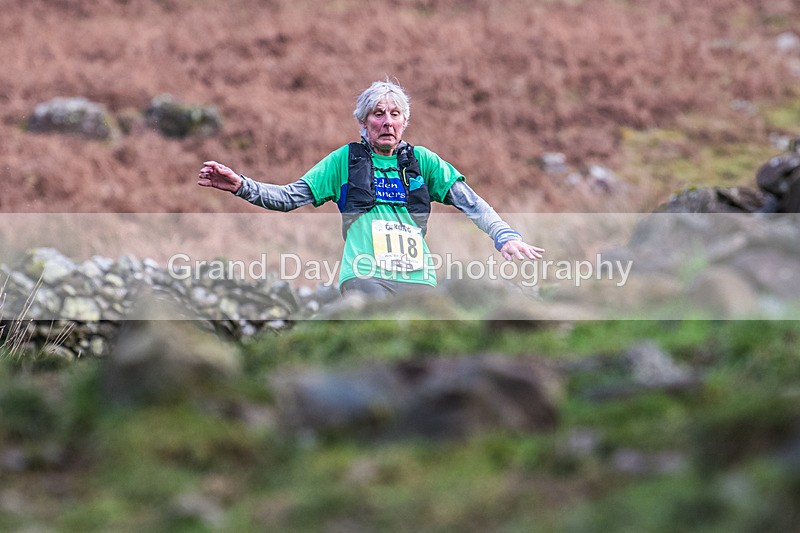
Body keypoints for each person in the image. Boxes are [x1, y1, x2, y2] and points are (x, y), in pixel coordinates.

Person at [198, 79, 544, 298]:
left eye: (395, 114)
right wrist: (242, 186)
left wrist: (505, 236)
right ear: (363, 123)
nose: (387, 121)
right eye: (378, 114)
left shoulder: (423, 162)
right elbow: (289, 198)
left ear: (405, 122)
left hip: (419, 279)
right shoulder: (344, 161)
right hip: (364, 277)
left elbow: (473, 204)